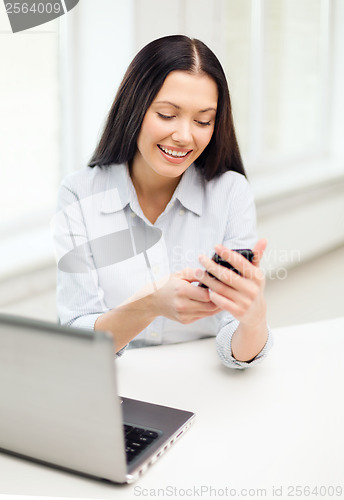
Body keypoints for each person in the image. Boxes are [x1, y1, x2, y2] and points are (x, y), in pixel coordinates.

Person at [52, 35, 272, 369]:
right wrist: (150, 304)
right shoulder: (79, 194)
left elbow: (236, 347)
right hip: (116, 384)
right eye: (167, 115)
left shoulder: (230, 192)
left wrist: (253, 319)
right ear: (135, 108)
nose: (185, 136)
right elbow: (76, 337)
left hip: (199, 383)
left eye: (203, 121)